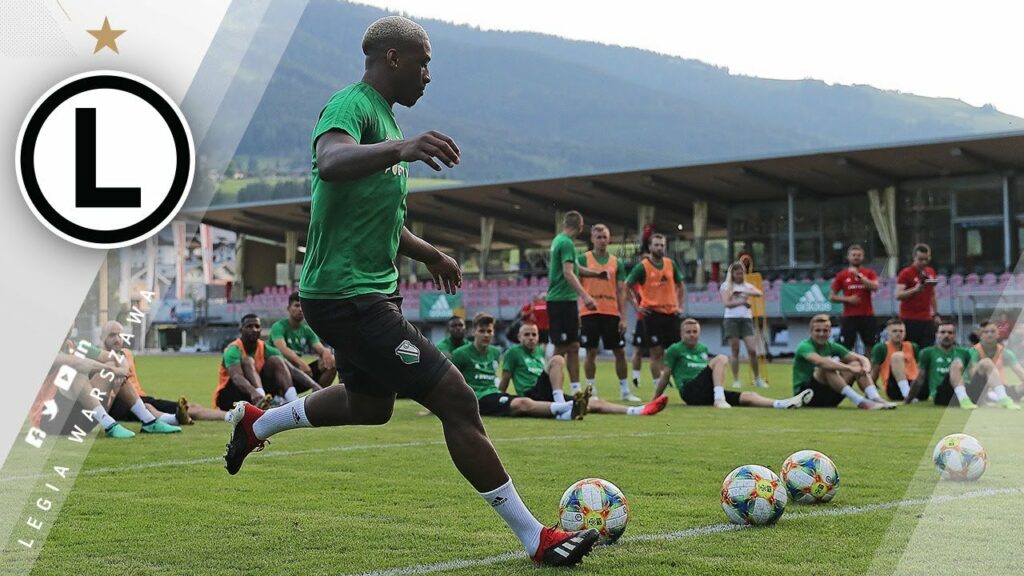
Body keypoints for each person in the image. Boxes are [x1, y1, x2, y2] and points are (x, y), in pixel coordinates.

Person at [223, 17, 599, 567]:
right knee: (456, 398)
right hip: (348, 296)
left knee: (369, 406)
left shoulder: (385, 121)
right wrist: (402, 148)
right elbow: (329, 162)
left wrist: (431, 255)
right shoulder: (350, 106)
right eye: (423, 63)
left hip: (365, 293)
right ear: (392, 58)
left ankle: (259, 422)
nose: (428, 75)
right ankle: (534, 538)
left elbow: (381, 223)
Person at [502, 323, 667, 416]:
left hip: (546, 391)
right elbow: (506, 378)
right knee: (558, 359)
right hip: (531, 393)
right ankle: (561, 403)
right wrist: (499, 396)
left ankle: (638, 410)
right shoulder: (513, 352)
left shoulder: (539, 351)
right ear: (519, 337)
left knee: (593, 402)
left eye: (533, 335)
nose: (531, 338)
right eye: (527, 335)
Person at [652, 318, 811, 409]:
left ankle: (782, 403)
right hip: (689, 390)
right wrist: (654, 400)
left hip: (706, 391)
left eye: (695, 332)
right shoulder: (674, 349)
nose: (692, 335)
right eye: (688, 332)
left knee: (748, 396)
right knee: (721, 358)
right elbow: (666, 375)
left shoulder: (703, 348)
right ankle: (719, 399)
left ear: (699, 333)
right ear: (681, 334)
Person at [453, 314, 587, 421]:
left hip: (494, 394)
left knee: (523, 405)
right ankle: (567, 406)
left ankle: (564, 414)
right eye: (482, 331)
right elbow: (451, 382)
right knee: (523, 403)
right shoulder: (460, 354)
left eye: (489, 331)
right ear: (473, 332)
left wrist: (500, 393)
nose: (486, 335)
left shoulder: (495, 352)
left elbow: (494, 379)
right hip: (477, 399)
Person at [101, 321, 227, 425]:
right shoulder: (97, 357)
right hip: (116, 403)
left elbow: (123, 366)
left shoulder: (126, 353)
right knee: (149, 408)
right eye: (112, 335)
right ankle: (174, 420)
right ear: (103, 338)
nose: (117, 339)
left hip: (139, 397)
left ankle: (232, 415)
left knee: (189, 407)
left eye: (120, 335)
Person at [547, 210, 605, 395]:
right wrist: (586, 296)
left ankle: (575, 389)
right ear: (580, 226)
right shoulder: (566, 243)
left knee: (573, 346)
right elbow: (568, 272)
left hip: (565, 301)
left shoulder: (559, 240)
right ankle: (550, 387)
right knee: (561, 346)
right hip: (561, 300)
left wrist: (596, 274)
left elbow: (575, 268)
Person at [578, 224, 638, 401]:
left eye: (605, 237)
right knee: (591, 351)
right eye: (598, 237)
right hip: (589, 312)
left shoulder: (616, 262)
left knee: (619, 351)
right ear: (592, 239)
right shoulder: (583, 259)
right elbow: (576, 284)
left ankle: (625, 391)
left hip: (611, 312)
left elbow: (621, 291)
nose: (602, 240)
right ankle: (591, 390)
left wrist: (624, 317)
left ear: (609, 238)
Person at [791, 314, 895, 410]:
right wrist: (849, 368)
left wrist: (865, 368)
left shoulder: (832, 345)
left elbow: (861, 358)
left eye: (825, 331)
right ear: (811, 331)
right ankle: (859, 401)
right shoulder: (804, 346)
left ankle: (875, 398)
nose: (821, 334)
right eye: (818, 330)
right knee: (827, 365)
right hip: (807, 396)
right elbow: (821, 362)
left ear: (830, 332)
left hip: (830, 396)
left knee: (856, 364)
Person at [626, 233, 685, 385]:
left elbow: (681, 285)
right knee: (655, 352)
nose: (660, 248)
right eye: (657, 245)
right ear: (650, 247)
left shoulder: (670, 264)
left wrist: (680, 305)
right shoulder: (642, 267)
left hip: (671, 313)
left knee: (676, 351)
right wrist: (637, 307)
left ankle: (678, 380)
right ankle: (657, 384)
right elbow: (626, 286)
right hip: (652, 314)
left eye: (662, 245)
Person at [214, 314, 297, 411]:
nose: (254, 329)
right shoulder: (233, 349)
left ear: (261, 330)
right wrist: (254, 392)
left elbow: (291, 369)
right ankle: (263, 400)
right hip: (229, 395)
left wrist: (314, 386)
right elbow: (236, 377)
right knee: (248, 361)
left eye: (257, 326)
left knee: (277, 360)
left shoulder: (265, 348)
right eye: (249, 326)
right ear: (241, 330)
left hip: (250, 394)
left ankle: (293, 401)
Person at [270, 292, 337, 389]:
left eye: (302, 306)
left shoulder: (307, 330)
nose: (300, 309)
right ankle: (282, 396)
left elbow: (319, 347)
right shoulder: (279, 326)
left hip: (300, 372)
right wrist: (300, 362)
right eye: (296, 306)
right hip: (279, 373)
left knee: (330, 362)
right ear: (288, 308)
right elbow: (282, 349)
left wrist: (326, 353)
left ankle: (317, 397)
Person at [905, 321, 977, 409]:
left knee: (986, 363)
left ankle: (998, 397)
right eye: (942, 332)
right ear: (936, 335)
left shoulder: (964, 352)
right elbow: (919, 379)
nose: (946, 335)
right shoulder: (927, 352)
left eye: (950, 333)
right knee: (956, 363)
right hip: (942, 395)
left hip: (964, 390)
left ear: (954, 336)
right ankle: (964, 399)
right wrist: (908, 398)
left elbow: (972, 375)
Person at [719, 261, 766, 389]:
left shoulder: (747, 286)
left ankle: (757, 379)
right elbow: (727, 303)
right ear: (732, 274)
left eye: (741, 273)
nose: (739, 276)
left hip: (746, 319)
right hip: (731, 319)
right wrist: (741, 301)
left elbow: (759, 293)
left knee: (752, 350)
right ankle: (736, 379)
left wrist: (744, 293)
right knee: (735, 350)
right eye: (737, 273)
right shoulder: (726, 286)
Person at [829, 244, 880, 352]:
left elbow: (875, 287)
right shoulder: (842, 275)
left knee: (871, 345)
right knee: (846, 346)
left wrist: (859, 276)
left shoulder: (869, 273)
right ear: (848, 257)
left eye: (859, 255)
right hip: (849, 316)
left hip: (867, 315)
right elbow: (832, 296)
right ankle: (849, 368)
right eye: (854, 255)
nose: (856, 257)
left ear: (862, 257)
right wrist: (848, 299)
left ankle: (868, 368)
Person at [965, 321, 1023, 409]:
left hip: (1000, 389)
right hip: (980, 390)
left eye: (992, 331)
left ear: (998, 334)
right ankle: (999, 399)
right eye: (986, 332)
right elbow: (972, 375)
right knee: (987, 362)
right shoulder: (973, 351)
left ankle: (995, 397)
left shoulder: (1006, 352)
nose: (989, 334)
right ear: (981, 335)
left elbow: (1020, 373)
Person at [896, 243, 940, 349]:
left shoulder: (930, 272)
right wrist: (915, 290)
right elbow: (898, 295)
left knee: (927, 349)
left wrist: (936, 313)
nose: (924, 262)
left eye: (926, 259)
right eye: (920, 259)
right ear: (914, 257)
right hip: (909, 319)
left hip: (926, 319)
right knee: (910, 350)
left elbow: (932, 294)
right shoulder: (905, 273)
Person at [868, 319, 924, 402]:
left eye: (901, 331)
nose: (898, 334)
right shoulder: (881, 348)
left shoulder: (913, 346)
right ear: (888, 333)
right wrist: (869, 391)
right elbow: (874, 371)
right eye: (894, 331)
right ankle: (906, 394)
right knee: (897, 356)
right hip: (894, 387)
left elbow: (919, 368)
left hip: (914, 384)